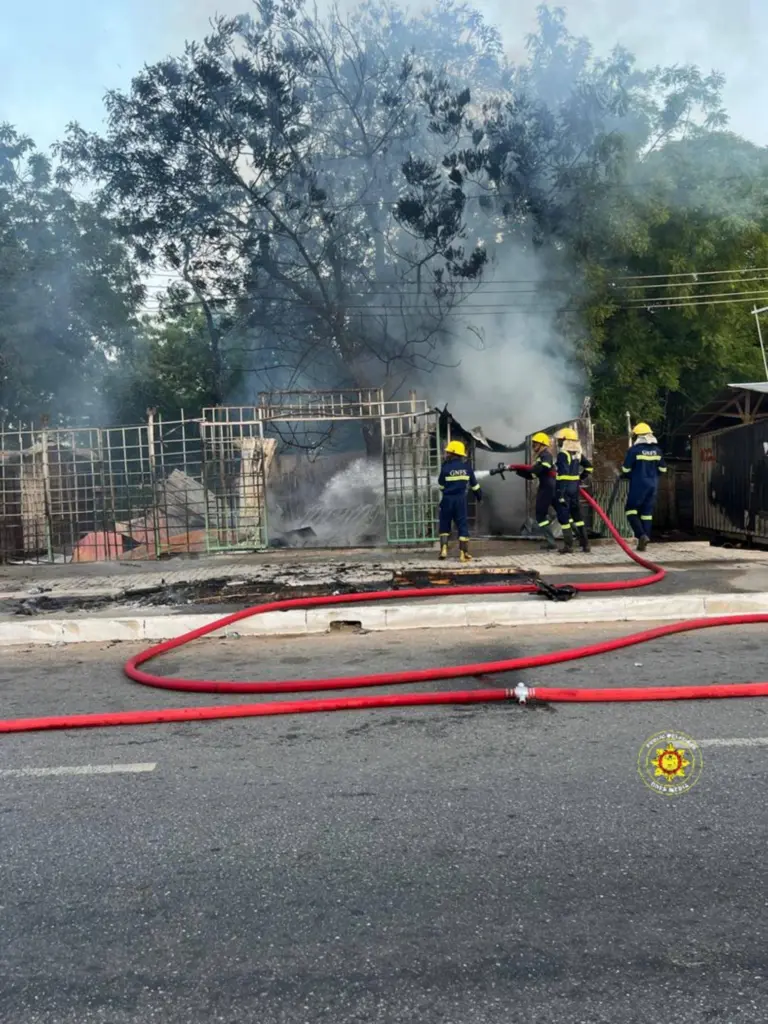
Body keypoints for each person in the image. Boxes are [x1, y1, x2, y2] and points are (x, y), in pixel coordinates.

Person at [620, 421, 667, 551]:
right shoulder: (657, 451)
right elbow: (663, 470)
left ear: (638, 436)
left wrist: (629, 474)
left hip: (639, 485)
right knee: (646, 513)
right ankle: (645, 539)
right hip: (653, 485)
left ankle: (641, 535)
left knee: (631, 510)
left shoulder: (634, 450)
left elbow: (626, 469)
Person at [437, 439, 482, 562]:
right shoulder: (467, 468)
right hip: (460, 500)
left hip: (447, 499)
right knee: (462, 525)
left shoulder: (445, 467)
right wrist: (479, 497)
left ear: (452, 453)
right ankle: (463, 553)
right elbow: (475, 486)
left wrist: (446, 490)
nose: (446, 454)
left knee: (444, 523)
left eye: (448, 452)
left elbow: (441, 484)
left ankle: (443, 550)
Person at [514, 431, 558, 550]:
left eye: (535, 444)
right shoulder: (541, 457)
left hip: (547, 488)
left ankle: (551, 542)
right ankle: (580, 539)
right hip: (550, 486)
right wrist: (517, 471)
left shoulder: (546, 455)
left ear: (542, 444)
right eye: (533, 444)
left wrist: (530, 469)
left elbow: (542, 469)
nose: (533, 446)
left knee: (540, 515)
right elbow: (532, 475)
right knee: (562, 513)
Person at [554, 427, 593, 554]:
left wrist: (560, 494)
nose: (558, 442)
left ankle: (568, 545)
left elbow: (563, 474)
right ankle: (585, 544)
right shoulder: (578, 455)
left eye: (560, 440)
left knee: (564, 517)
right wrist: (580, 478)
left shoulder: (562, 455)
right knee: (577, 516)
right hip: (574, 488)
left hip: (564, 489)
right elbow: (589, 467)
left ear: (566, 441)